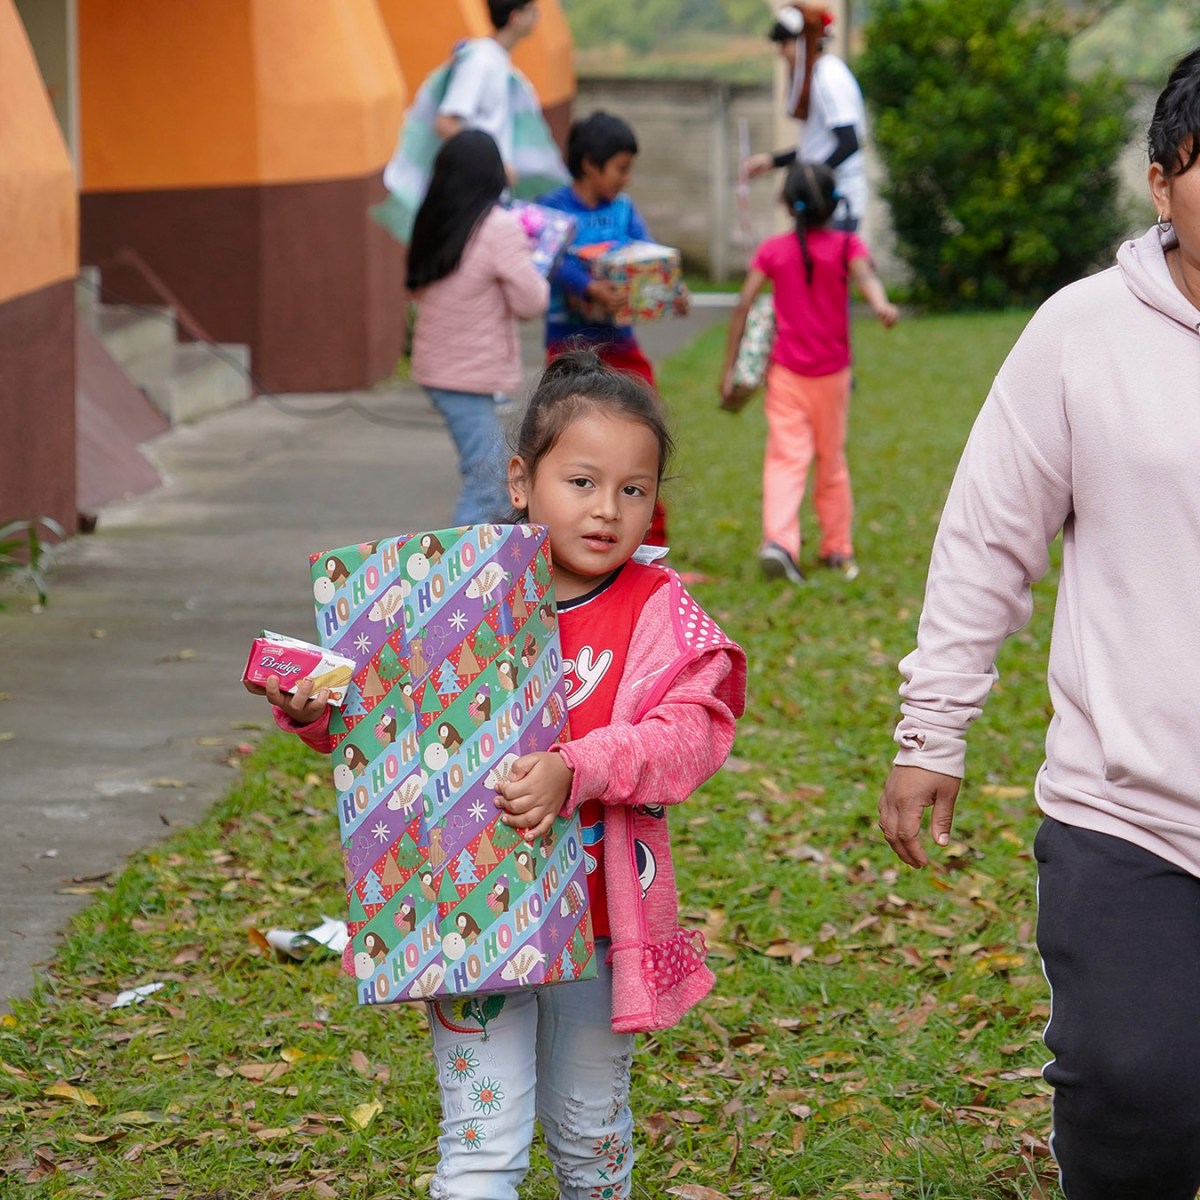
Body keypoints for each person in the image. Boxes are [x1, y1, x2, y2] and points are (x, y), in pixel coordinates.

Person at [246, 348, 747, 1199]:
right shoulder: (454, 594)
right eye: (581, 482)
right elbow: (389, 725)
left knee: (592, 1134)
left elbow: (693, 734)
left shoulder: (657, 607)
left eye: (633, 489)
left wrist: (575, 768)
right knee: (480, 1145)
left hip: (599, 925)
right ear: (521, 481)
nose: (607, 509)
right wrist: (313, 711)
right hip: (467, 917)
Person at [877, 47, 1200, 1200]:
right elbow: (987, 538)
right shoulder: (1083, 333)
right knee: (1135, 1088)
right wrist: (933, 729)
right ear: (1162, 181)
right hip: (1131, 808)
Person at [719, 160, 896, 584]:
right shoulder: (847, 245)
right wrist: (881, 305)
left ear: (786, 203)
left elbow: (743, 304)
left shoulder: (772, 251)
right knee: (831, 460)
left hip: (786, 376)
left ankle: (780, 542)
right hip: (832, 378)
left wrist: (729, 369)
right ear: (834, 203)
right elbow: (868, 280)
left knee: (786, 459)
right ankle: (837, 547)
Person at [537, 110, 690, 547]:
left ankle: (651, 549)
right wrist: (589, 288)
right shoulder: (551, 210)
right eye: (620, 168)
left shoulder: (624, 211)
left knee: (645, 437)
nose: (626, 178)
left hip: (621, 346)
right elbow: (550, 260)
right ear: (590, 164)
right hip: (567, 349)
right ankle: (561, 541)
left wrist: (671, 289)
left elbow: (649, 257)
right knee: (569, 444)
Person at [405, 130, 548, 525]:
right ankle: (456, 563)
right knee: (487, 480)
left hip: (441, 369)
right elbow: (532, 301)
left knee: (488, 472)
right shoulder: (497, 227)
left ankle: (480, 558)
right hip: (464, 374)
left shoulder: (439, 220)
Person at [375, 0, 567, 245]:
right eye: (532, 11)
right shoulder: (479, 61)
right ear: (515, 17)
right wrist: (495, 164)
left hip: (487, 193)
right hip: (472, 195)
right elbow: (446, 123)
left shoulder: (495, 60)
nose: (537, 17)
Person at [743, 4, 867, 233]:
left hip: (835, 206)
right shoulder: (818, 74)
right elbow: (818, 146)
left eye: (784, 44)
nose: (781, 52)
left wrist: (805, 183)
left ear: (802, 42)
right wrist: (773, 161)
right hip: (821, 207)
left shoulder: (829, 76)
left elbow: (849, 142)